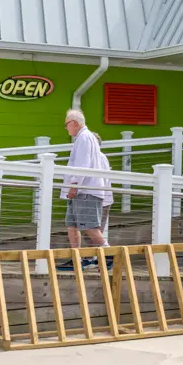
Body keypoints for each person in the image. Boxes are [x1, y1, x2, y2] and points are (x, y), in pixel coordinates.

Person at [60, 109, 108, 270]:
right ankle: (76, 259)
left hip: (85, 191)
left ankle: (109, 254)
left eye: (66, 125)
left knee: (88, 225)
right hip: (81, 191)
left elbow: (82, 164)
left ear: (74, 123)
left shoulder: (84, 138)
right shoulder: (83, 138)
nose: (66, 128)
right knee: (72, 224)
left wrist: (74, 186)